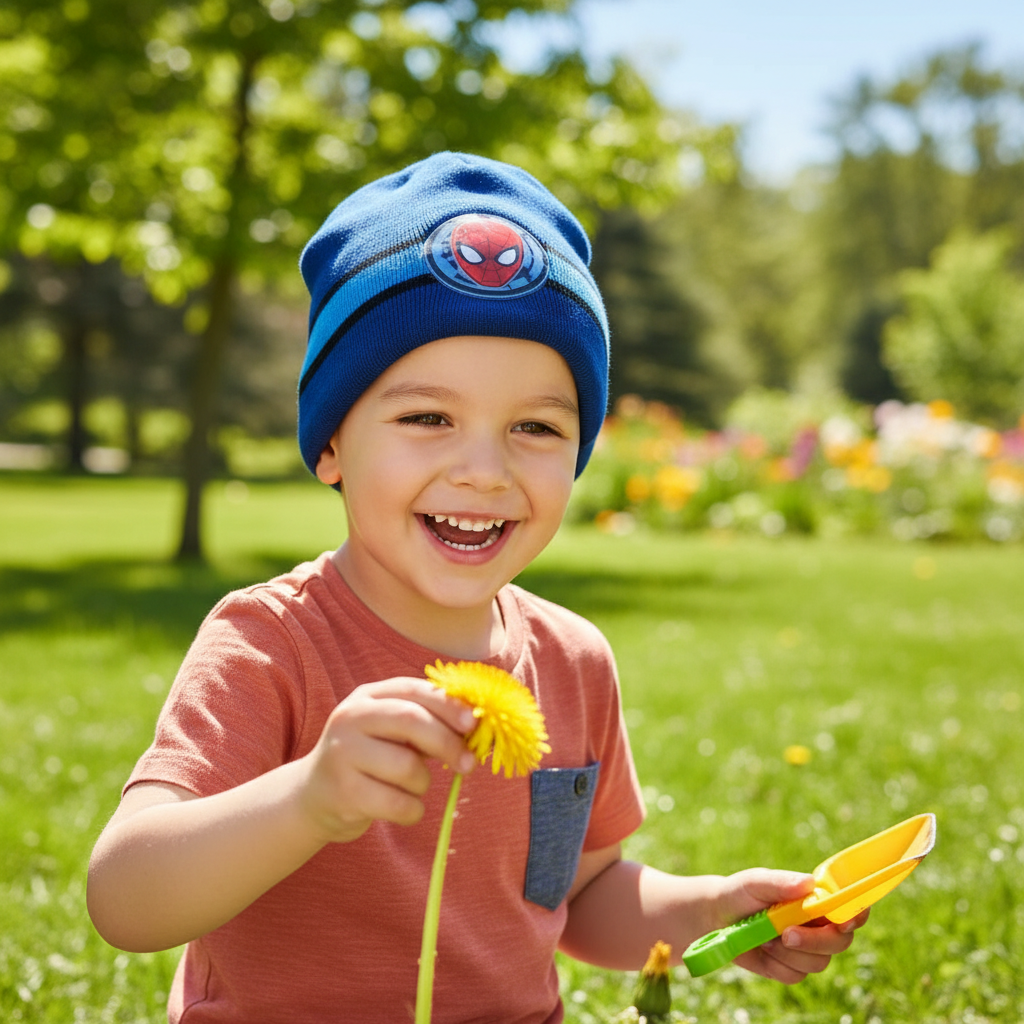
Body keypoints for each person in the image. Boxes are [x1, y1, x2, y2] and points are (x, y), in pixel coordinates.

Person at [87, 152, 866, 1023]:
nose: (484, 471)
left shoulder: (572, 662)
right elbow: (128, 897)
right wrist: (307, 800)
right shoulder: (271, 643)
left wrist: (706, 913)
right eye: (428, 418)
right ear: (332, 445)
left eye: (535, 426)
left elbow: (578, 895)